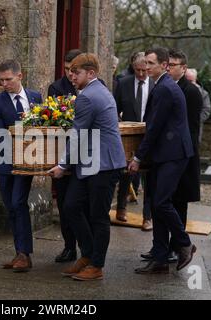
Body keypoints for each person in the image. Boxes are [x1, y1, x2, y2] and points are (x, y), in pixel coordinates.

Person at [49, 53, 126, 281]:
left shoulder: (89, 96)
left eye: (77, 72)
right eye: (71, 72)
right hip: (91, 163)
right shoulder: (97, 91)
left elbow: (78, 134)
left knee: (98, 217)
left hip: (103, 165)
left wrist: (62, 165)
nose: (72, 76)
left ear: (91, 73)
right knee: (71, 206)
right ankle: (88, 254)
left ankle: (97, 265)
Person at [128, 47, 196, 274]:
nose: (146, 67)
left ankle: (184, 243)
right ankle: (159, 258)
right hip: (164, 154)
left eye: (150, 63)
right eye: (145, 63)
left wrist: (137, 157)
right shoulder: (162, 85)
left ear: (164, 65)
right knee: (157, 205)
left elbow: (154, 128)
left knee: (161, 202)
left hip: (173, 154)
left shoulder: (165, 88)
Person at [0, 59, 42, 272]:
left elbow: (42, 126)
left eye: (8, 79)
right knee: (11, 207)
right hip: (5, 161)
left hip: (27, 162)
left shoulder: (35, 97)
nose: (4, 84)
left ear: (20, 76)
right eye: (1, 80)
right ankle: (20, 251)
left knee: (19, 203)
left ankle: (24, 254)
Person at [166, 49, 203, 261]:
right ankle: (171, 246)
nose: (169, 67)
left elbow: (189, 128)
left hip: (183, 155)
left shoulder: (190, 92)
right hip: (172, 154)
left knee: (179, 202)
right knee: (169, 200)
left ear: (183, 68)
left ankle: (178, 246)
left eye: (173, 64)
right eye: (168, 64)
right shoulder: (168, 87)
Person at [47, 49, 82, 263]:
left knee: (80, 204)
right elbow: (51, 120)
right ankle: (69, 246)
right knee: (63, 203)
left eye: (74, 70)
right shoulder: (56, 87)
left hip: (85, 153)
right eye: (67, 69)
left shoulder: (93, 86)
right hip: (62, 151)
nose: (70, 74)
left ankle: (85, 247)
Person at [114, 51, 154, 230]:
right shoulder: (124, 83)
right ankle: (121, 208)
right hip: (129, 134)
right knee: (126, 172)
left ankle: (147, 217)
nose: (140, 74)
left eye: (144, 70)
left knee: (149, 177)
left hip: (149, 134)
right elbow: (115, 108)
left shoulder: (155, 84)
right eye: (137, 70)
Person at [186, 68, 211, 143]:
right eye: (187, 80)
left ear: (195, 79)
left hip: (195, 129)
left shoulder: (203, 94)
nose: (189, 83)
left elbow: (206, 110)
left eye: (191, 81)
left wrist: (195, 120)